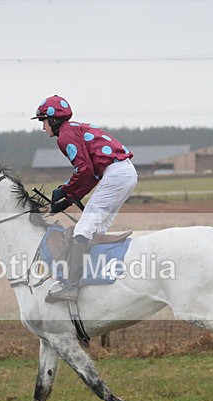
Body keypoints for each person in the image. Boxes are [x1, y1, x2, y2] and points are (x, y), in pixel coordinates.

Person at [31, 95, 138, 303]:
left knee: (83, 230)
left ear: (53, 120)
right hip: (125, 173)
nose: (43, 127)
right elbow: (91, 174)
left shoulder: (65, 136)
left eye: (43, 121)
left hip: (116, 174)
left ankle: (71, 287)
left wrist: (65, 189)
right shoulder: (75, 128)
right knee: (96, 230)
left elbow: (84, 169)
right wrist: (70, 197)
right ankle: (96, 282)